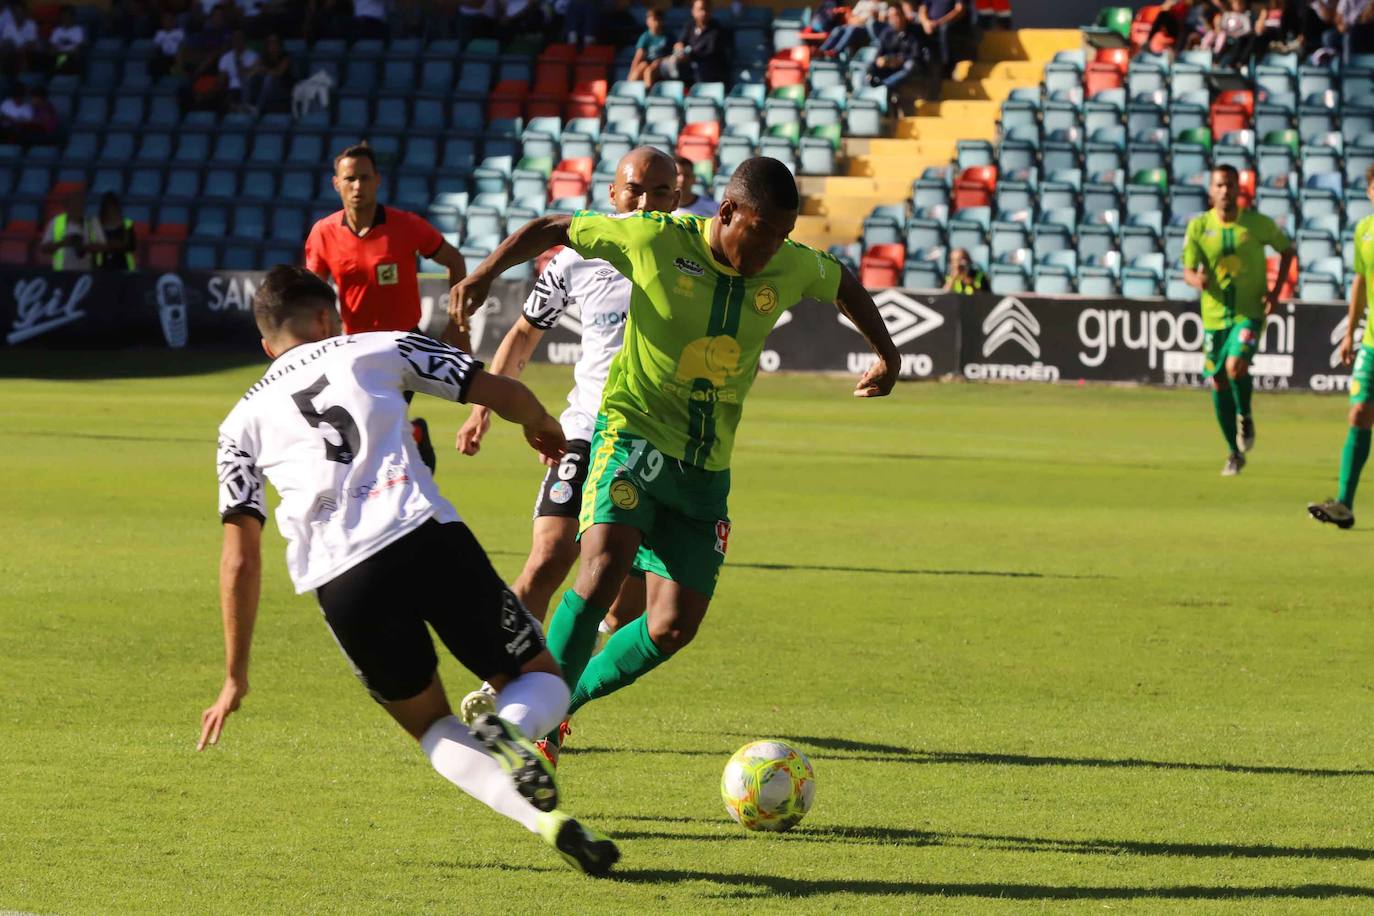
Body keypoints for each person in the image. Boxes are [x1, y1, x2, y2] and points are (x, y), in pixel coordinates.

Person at [449, 157, 900, 763]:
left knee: (671, 626)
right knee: (600, 564)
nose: (770, 249)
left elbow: (841, 280)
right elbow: (556, 226)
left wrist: (887, 353)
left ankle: (562, 702)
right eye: (761, 232)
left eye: (782, 236)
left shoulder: (788, 263)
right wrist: (483, 275)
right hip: (629, 435)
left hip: (704, 472)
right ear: (727, 212)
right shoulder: (656, 239)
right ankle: (534, 726)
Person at [198, 265, 619, 877]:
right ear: (325, 319)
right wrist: (545, 428)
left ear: (267, 344)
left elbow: (240, 556)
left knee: (431, 726)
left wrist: (234, 674)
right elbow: (496, 388)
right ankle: (509, 729)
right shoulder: (381, 344)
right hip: (424, 535)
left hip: (342, 577)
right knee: (542, 680)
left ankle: (545, 822)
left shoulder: (239, 424)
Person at [305, 143, 469, 473]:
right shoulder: (323, 233)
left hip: (402, 344)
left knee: (372, 426)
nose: (357, 186)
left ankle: (392, 480)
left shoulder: (407, 226)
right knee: (364, 430)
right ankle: (415, 438)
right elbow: (312, 292)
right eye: (350, 179)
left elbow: (454, 260)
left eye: (365, 178)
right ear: (336, 183)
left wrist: (456, 321)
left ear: (377, 180)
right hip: (353, 347)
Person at [1182, 164, 1295, 477]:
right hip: (1214, 317)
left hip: (1248, 313)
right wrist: (1197, 280)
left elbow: (1287, 250)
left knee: (1235, 367)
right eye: (1219, 185)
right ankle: (1233, 452)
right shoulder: (1198, 228)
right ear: (1211, 190)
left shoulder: (1257, 224)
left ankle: (1245, 413)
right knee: (1218, 380)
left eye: (1230, 185)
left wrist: (1275, 293)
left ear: (1238, 189)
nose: (1225, 191)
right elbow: (1188, 270)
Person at [1308, 165, 1374, 528]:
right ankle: (1345, 505)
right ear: (1369, 192)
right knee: (1358, 412)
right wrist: (1350, 333)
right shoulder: (1364, 232)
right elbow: (1361, 283)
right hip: (1373, 342)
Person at [661, 0, 726, 84]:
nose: (703, 12)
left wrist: (688, 55)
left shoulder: (716, 29)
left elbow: (710, 52)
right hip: (688, 61)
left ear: (711, 11)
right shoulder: (690, 25)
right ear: (693, 11)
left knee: (699, 67)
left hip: (707, 65)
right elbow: (680, 42)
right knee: (666, 64)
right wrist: (679, 48)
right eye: (700, 9)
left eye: (706, 9)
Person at [40, 188, 102, 271]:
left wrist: (83, 246)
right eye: (74, 204)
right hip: (61, 273)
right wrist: (62, 243)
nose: (77, 207)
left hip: (86, 273)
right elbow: (44, 248)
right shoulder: (56, 222)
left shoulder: (92, 222)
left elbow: (103, 247)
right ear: (67, 206)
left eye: (80, 203)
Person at [867, 4, 923, 92]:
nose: (895, 19)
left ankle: (884, 86)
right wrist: (882, 60)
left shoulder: (915, 31)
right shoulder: (886, 33)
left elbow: (917, 55)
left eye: (897, 15)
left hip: (906, 65)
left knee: (911, 65)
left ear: (903, 15)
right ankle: (867, 89)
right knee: (870, 65)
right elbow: (879, 54)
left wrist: (900, 60)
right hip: (889, 64)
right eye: (891, 17)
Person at [916, 0, 968, 78]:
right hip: (930, 25)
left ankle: (946, 67)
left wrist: (939, 22)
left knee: (945, 29)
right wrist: (926, 23)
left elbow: (959, 10)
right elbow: (922, 9)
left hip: (950, 26)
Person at [817, 1, 888, 57]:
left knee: (851, 29)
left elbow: (881, 22)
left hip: (867, 32)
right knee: (838, 29)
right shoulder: (862, 3)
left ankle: (836, 51)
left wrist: (869, 18)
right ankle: (822, 50)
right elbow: (850, 19)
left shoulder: (882, 5)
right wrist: (862, 19)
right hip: (855, 26)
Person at [245, 32, 292, 114]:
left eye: (274, 42)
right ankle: (245, 106)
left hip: (281, 87)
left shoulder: (285, 56)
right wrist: (253, 72)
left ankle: (258, 109)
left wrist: (265, 70)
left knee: (269, 78)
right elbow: (254, 69)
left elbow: (279, 73)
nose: (272, 44)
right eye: (270, 42)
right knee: (248, 77)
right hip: (265, 87)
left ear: (279, 44)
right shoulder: (263, 56)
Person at [93, 192, 136, 271]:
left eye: (112, 207)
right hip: (101, 268)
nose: (110, 211)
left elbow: (131, 246)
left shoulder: (127, 224)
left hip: (123, 267)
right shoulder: (96, 225)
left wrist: (114, 244)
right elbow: (93, 246)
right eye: (107, 208)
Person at [628, 7, 669, 85]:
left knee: (649, 71)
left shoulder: (668, 36)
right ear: (648, 21)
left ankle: (647, 93)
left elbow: (673, 54)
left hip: (662, 65)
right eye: (654, 20)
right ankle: (629, 87)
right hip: (648, 63)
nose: (656, 23)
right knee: (642, 66)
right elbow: (638, 57)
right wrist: (632, 72)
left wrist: (660, 61)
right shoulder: (645, 37)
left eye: (658, 20)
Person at [47, 5, 86, 74]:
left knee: (62, 61)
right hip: (58, 56)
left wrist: (61, 52)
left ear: (73, 17)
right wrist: (57, 52)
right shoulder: (57, 30)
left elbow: (77, 50)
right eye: (63, 16)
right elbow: (51, 50)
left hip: (72, 58)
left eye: (67, 16)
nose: (65, 18)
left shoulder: (78, 30)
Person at [150, 11, 185, 80]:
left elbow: (183, 46)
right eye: (165, 19)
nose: (167, 22)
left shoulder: (180, 32)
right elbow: (155, 47)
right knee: (154, 62)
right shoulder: (159, 33)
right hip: (163, 57)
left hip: (176, 57)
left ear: (174, 21)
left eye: (170, 19)